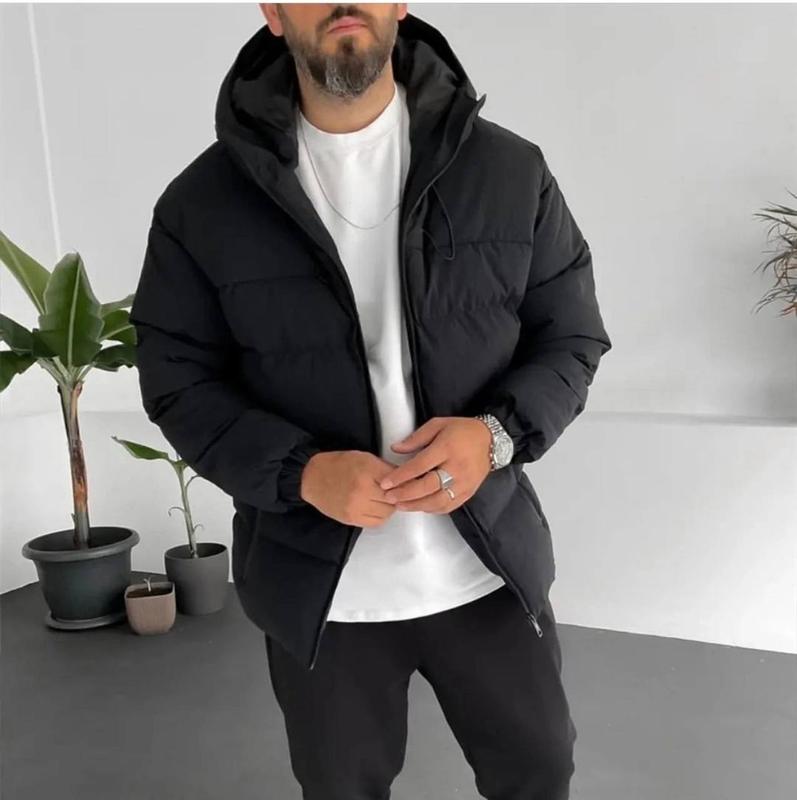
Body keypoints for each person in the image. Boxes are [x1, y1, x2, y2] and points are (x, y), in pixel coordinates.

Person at [129, 4, 612, 798]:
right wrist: (299, 473)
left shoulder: (507, 171)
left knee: (538, 772)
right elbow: (178, 380)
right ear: (273, 11)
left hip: (486, 569)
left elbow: (571, 339)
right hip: (320, 594)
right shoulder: (201, 205)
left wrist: (493, 436)